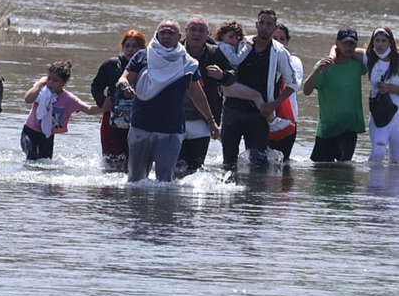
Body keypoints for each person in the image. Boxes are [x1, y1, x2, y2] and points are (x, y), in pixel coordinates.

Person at [117, 19, 220, 182]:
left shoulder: (187, 62)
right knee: (135, 180)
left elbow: (196, 93)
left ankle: (164, 208)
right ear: (157, 35)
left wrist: (211, 121)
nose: (166, 36)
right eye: (162, 32)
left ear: (179, 36)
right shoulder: (144, 56)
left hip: (171, 129)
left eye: (171, 33)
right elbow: (125, 77)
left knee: (165, 181)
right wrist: (124, 85)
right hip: (141, 125)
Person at [220, 10, 298, 167]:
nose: (264, 27)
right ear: (256, 24)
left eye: (269, 24)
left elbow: (293, 84)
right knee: (228, 162)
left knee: (258, 163)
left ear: (275, 27)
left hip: (259, 114)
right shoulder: (242, 43)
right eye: (261, 23)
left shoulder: (279, 52)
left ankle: (255, 192)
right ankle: (228, 191)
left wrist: (273, 105)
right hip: (232, 109)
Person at [177, 15, 236, 172]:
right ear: (185, 31)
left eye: (201, 30)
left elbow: (233, 76)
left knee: (195, 169)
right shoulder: (175, 51)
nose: (197, 34)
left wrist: (222, 75)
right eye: (193, 29)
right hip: (175, 118)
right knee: (174, 167)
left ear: (207, 34)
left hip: (203, 120)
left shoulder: (215, 53)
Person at [215, 19, 291, 132]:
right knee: (256, 96)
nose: (234, 41)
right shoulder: (223, 46)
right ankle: (272, 121)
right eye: (231, 37)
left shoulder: (228, 45)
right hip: (228, 84)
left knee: (255, 96)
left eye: (236, 38)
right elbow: (235, 60)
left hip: (230, 83)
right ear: (221, 35)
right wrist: (247, 47)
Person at [303, 28, 366, 162]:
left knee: (343, 171)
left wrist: (335, 51)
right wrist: (317, 70)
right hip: (327, 129)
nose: (349, 47)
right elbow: (306, 91)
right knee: (321, 172)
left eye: (352, 44)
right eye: (345, 44)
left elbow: (373, 55)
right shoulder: (325, 65)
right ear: (337, 42)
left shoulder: (358, 64)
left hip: (349, 128)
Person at [23, 61, 103, 160]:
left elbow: (88, 109)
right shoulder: (42, 91)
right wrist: (40, 84)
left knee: (45, 163)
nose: (50, 83)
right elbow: (27, 99)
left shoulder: (68, 99)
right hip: (30, 131)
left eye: (55, 80)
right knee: (31, 156)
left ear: (63, 83)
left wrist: (105, 107)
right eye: (49, 78)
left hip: (47, 135)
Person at [91, 30, 147, 170]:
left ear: (143, 49)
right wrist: (102, 101)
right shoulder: (111, 64)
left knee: (133, 164)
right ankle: (110, 191)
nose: (130, 50)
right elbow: (96, 86)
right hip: (112, 120)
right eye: (127, 46)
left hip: (138, 120)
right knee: (111, 162)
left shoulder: (147, 67)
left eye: (135, 46)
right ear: (122, 47)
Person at [343, 26, 399, 163]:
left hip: (398, 113)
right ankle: (375, 184)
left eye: (383, 41)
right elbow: (342, 48)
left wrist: (391, 88)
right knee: (378, 151)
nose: (380, 44)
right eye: (377, 40)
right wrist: (331, 56)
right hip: (380, 111)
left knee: (397, 159)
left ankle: (393, 185)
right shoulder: (369, 57)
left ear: (390, 42)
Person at [267, 23, 303, 161]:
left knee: (282, 164)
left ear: (287, 42)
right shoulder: (260, 58)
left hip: (287, 120)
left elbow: (295, 84)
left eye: (282, 39)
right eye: (274, 37)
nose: (277, 41)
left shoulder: (293, 61)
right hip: (262, 118)